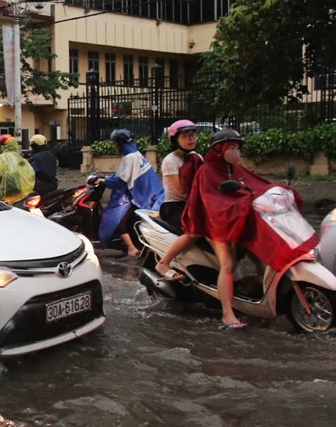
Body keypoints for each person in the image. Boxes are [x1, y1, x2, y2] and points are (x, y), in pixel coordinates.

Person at [181, 129, 316, 330]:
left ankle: (262, 298)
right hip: (215, 223)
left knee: (260, 254)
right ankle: (227, 314)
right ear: (219, 150)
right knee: (228, 264)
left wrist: (275, 195)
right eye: (231, 148)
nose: (236, 152)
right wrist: (240, 204)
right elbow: (213, 203)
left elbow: (256, 186)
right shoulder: (207, 171)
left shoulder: (233, 169)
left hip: (237, 218)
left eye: (238, 148)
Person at [96, 128, 164, 257]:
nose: (114, 145)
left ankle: (131, 248)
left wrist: (105, 181)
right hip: (154, 194)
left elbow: (121, 180)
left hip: (144, 197)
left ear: (120, 143)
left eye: (115, 143)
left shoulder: (130, 158)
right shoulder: (136, 154)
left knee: (115, 219)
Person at [154, 120, 204, 280]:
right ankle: (163, 263)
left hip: (195, 203)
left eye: (193, 135)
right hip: (175, 206)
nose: (191, 139)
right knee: (194, 231)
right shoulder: (171, 161)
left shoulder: (197, 157)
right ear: (176, 139)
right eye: (185, 136)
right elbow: (181, 191)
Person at [0, 134, 35, 204]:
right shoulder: (21, 158)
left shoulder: (2, 157)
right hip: (26, 194)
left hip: (10, 197)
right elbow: (31, 174)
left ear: (2, 146)